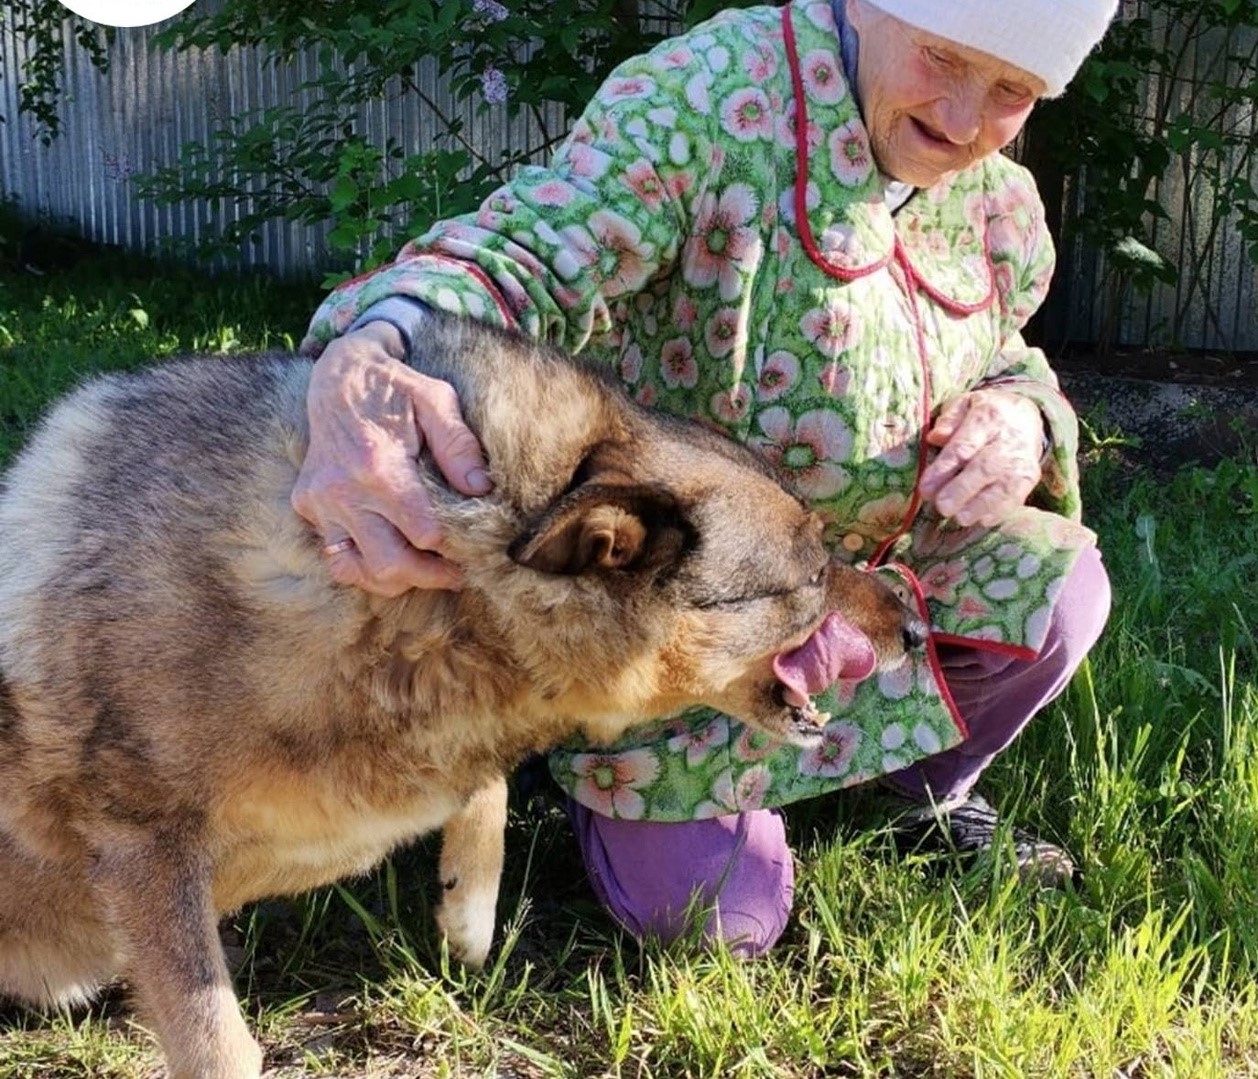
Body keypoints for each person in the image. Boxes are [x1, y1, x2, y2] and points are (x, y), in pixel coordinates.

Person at [294, 0, 1117, 956]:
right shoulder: (710, 102)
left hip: (865, 582)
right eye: (941, 57)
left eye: (1013, 90)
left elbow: (1006, 353)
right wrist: (375, 350)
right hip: (683, 617)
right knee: (723, 924)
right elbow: (526, 252)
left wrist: (1019, 415)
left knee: (1061, 593)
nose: (968, 117)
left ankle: (919, 793)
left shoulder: (996, 205)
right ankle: (623, 778)